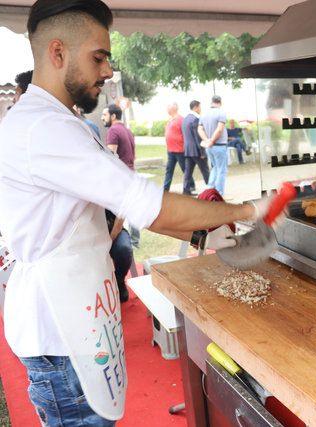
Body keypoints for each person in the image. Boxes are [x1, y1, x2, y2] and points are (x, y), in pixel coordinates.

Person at [0, 2, 277, 424]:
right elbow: (149, 204)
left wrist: (203, 236)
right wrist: (249, 208)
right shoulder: (43, 129)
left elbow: (107, 203)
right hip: (60, 335)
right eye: (99, 57)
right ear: (57, 53)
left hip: (79, 315)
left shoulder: (59, 122)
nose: (108, 71)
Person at [101, 104, 140, 247]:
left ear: (113, 116)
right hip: (131, 174)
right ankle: (135, 241)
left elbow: (112, 157)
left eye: (104, 115)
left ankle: (116, 241)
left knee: (120, 213)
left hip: (121, 177)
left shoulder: (113, 131)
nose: (102, 118)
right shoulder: (127, 130)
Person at [199, 95, 229, 195]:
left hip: (209, 147)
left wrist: (207, 140)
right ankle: (219, 192)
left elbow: (200, 129)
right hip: (219, 145)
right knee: (221, 170)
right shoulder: (221, 113)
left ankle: (210, 189)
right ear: (220, 102)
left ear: (211, 102)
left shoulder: (203, 114)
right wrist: (212, 140)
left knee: (215, 168)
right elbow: (220, 129)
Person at [163, 102, 193, 192]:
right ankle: (165, 188)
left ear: (173, 109)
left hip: (180, 150)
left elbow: (186, 134)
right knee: (169, 169)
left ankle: (191, 185)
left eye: (168, 108)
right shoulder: (170, 120)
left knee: (185, 169)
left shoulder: (181, 120)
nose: (167, 110)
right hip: (171, 150)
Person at [182, 100, 210, 195]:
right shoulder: (196, 119)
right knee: (205, 170)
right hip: (196, 150)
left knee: (188, 172)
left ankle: (186, 190)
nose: (200, 109)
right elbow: (197, 137)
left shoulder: (185, 119)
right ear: (196, 107)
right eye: (200, 107)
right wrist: (202, 152)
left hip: (188, 150)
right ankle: (211, 190)